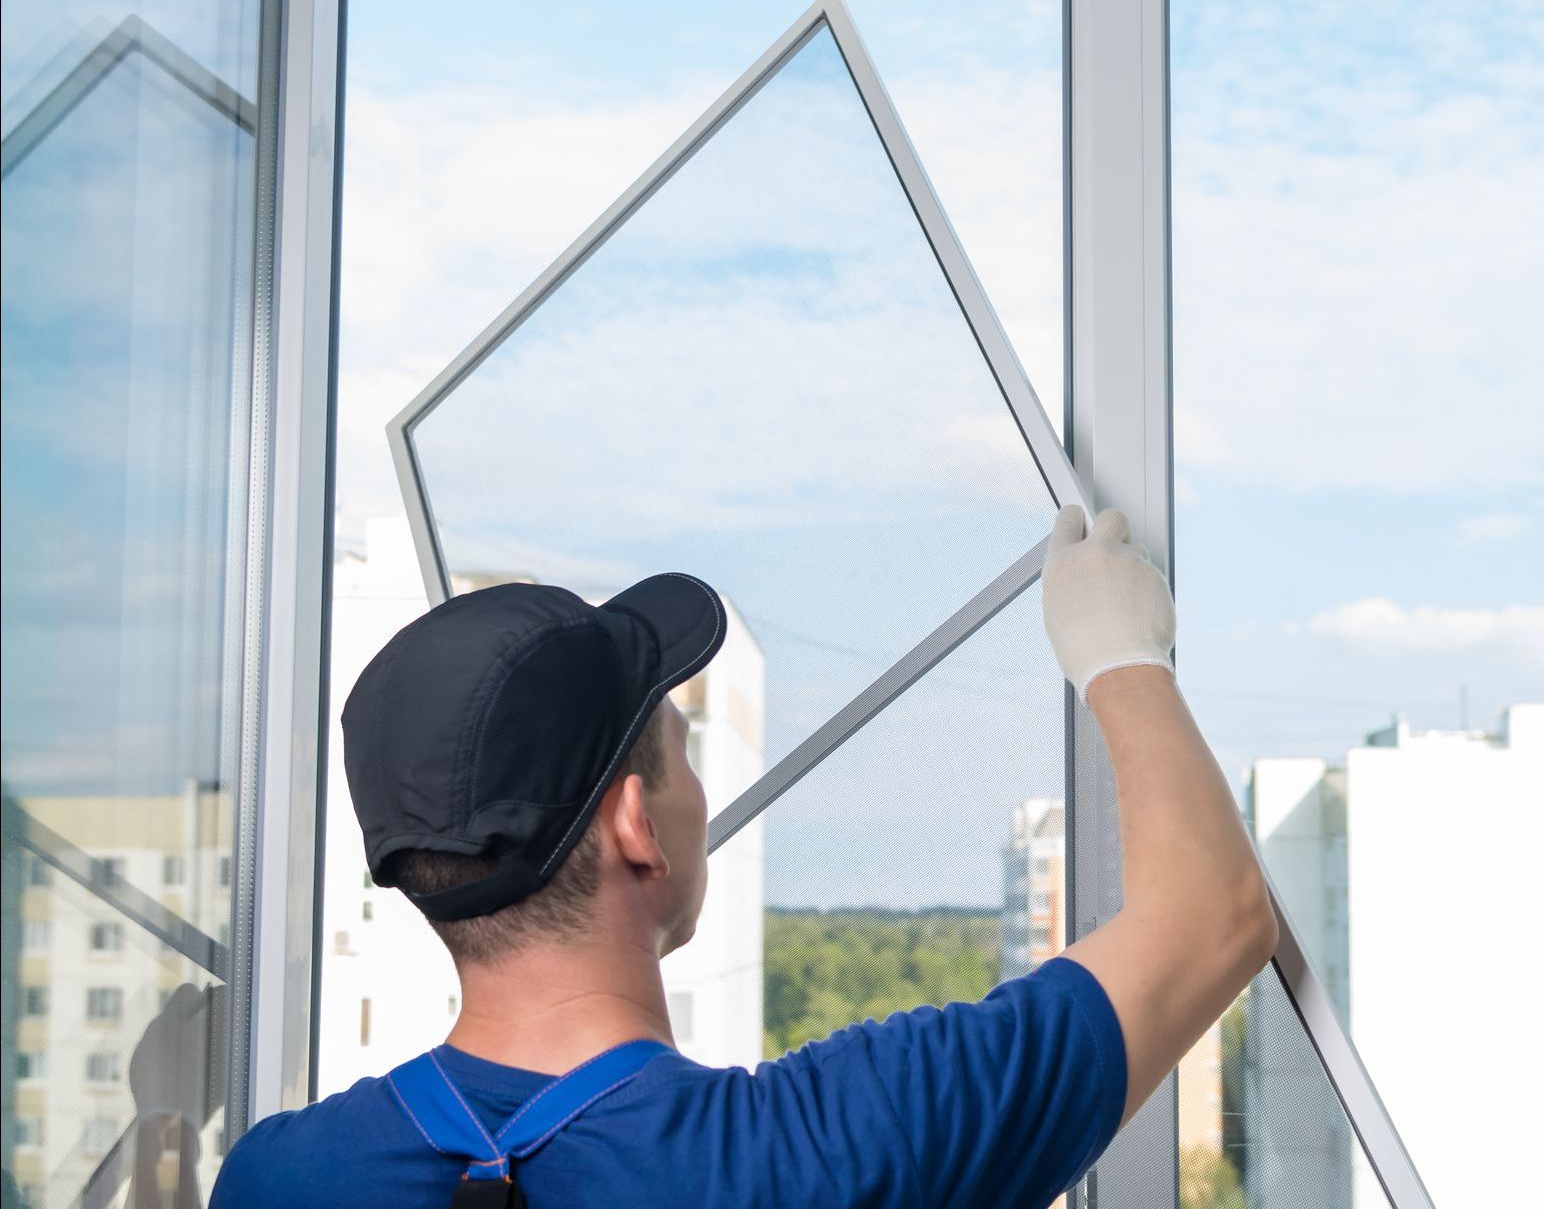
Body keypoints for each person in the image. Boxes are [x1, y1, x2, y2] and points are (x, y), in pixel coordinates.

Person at [210, 506, 1276, 1208]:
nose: (699, 794)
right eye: (682, 756)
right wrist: (1122, 655)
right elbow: (1214, 913)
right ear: (635, 824)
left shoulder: (274, 1178)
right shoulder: (826, 1151)